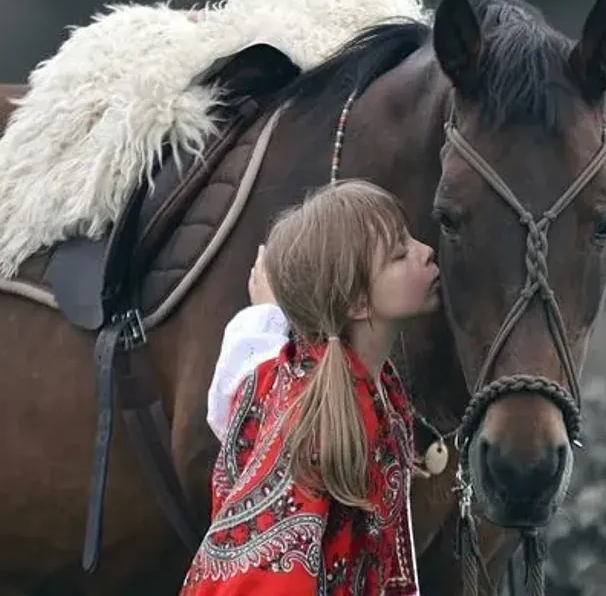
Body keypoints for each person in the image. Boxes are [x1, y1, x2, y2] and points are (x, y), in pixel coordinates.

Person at [179, 179, 440, 596]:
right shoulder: (313, 423)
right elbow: (264, 579)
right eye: (399, 254)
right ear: (356, 303)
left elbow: (251, 387)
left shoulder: (374, 387)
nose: (426, 252)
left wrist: (265, 313)